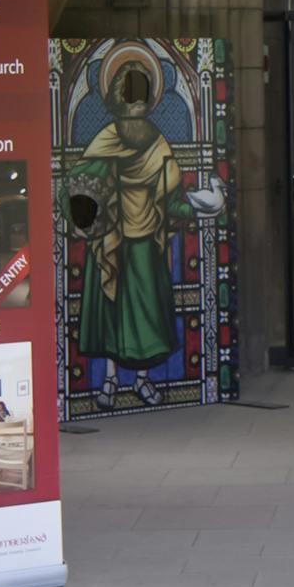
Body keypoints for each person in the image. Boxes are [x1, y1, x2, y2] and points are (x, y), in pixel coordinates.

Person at [70, 46, 186, 405]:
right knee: (111, 316)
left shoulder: (157, 142)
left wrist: (201, 207)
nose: (135, 104)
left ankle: (141, 380)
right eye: (129, 93)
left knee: (146, 318)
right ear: (116, 96)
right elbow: (80, 188)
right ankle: (109, 381)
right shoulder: (105, 139)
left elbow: (171, 197)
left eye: (139, 94)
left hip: (146, 241)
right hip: (112, 240)